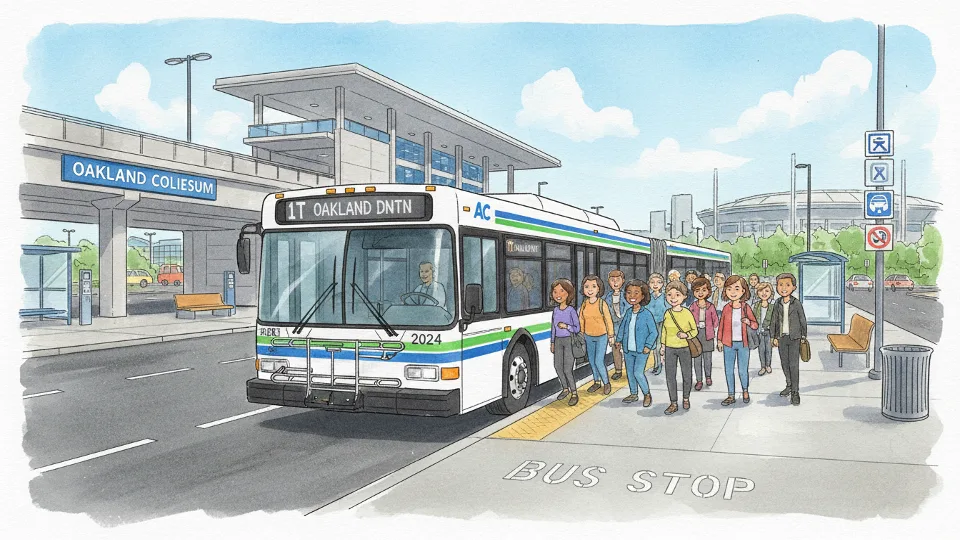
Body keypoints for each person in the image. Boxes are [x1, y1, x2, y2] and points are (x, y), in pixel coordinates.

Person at [615, 280, 658, 407]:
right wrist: (618, 340)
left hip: (641, 350)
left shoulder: (646, 314)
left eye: (636, 293)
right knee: (629, 372)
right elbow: (623, 327)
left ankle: (647, 394)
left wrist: (648, 346)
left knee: (638, 373)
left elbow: (654, 332)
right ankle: (633, 393)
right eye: (628, 293)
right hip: (628, 349)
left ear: (643, 296)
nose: (632, 296)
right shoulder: (628, 312)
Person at [717, 275, 759, 406]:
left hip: (743, 343)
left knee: (742, 370)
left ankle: (745, 390)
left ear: (743, 291)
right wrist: (719, 340)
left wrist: (748, 321)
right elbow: (721, 325)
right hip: (728, 343)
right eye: (729, 289)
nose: (733, 292)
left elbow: (755, 325)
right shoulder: (726, 308)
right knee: (729, 370)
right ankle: (731, 395)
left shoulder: (746, 307)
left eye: (736, 288)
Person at [660, 280, 698, 415]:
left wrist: (685, 335)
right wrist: (663, 346)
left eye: (677, 295)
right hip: (670, 348)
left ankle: (686, 398)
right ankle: (673, 402)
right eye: (669, 295)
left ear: (684, 296)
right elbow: (664, 331)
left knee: (687, 375)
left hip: (684, 348)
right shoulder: (667, 313)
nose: (673, 298)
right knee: (670, 376)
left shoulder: (687, 313)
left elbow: (695, 331)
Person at [770, 273, 808, 406]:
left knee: (794, 365)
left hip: (794, 338)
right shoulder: (777, 303)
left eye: (787, 285)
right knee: (784, 364)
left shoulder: (796, 303)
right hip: (781, 338)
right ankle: (789, 385)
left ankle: (795, 392)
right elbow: (774, 321)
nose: (783, 288)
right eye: (780, 285)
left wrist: (803, 336)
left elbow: (803, 319)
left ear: (793, 287)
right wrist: (773, 337)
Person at [579, 275, 615, 395]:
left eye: (593, 286)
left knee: (599, 361)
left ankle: (606, 383)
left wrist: (611, 335)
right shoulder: (584, 304)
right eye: (587, 287)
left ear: (599, 288)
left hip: (601, 336)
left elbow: (608, 320)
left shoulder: (602, 304)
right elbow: (581, 320)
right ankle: (596, 382)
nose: (590, 289)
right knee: (592, 361)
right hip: (588, 336)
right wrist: (581, 334)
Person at [550, 278, 581, 407]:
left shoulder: (571, 310)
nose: (558, 295)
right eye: (555, 291)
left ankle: (574, 393)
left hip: (569, 341)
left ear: (568, 293)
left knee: (568, 369)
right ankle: (565, 388)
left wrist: (566, 327)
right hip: (558, 341)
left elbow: (577, 328)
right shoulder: (555, 311)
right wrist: (552, 342)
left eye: (561, 291)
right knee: (558, 366)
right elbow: (553, 327)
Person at [689, 277, 719, 391]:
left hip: (708, 334)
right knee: (697, 358)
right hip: (695, 334)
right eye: (697, 290)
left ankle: (708, 377)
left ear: (708, 291)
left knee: (707, 358)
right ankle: (699, 380)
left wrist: (710, 327)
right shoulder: (692, 306)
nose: (700, 293)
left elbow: (716, 320)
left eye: (703, 290)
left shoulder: (710, 306)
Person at [603, 270, 626, 380]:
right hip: (613, 327)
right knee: (615, 349)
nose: (615, 283)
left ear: (623, 281)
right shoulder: (607, 297)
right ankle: (618, 370)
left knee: (627, 349)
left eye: (618, 280)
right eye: (612, 280)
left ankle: (630, 369)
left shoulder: (626, 295)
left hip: (624, 326)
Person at [646, 273, 669, 376]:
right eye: (652, 282)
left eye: (658, 282)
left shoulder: (664, 297)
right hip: (651, 324)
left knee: (659, 345)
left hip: (662, 323)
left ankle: (659, 364)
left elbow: (668, 309)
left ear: (662, 284)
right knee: (653, 345)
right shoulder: (648, 297)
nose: (655, 285)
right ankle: (656, 363)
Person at [754, 282, 776, 376]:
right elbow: (754, 318)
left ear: (771, 293)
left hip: (769, 332)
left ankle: (768, 365)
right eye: (761, 291)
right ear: (757, 293)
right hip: (759, 332)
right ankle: (763, 366)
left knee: (769, 350)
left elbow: (775, 321)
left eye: (767, 291)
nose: (764, 293)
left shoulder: (772, 307)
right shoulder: (756, 306)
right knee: (761, 350)